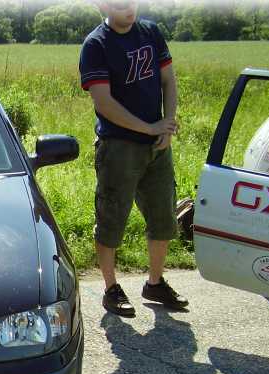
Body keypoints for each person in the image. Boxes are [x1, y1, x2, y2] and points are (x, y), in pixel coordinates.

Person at [79, 1, 188, 317]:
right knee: (112, 219)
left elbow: (168, 80)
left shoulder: (151, 32)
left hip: (157, 145)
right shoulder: (96, 45)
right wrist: (149, 127)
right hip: (118, 147)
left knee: (164, 217)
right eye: (120, 4)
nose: (129, 9)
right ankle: (111, 289)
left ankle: (155, 283)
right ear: (103, 5)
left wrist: (167, 125)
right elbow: (103, 102)